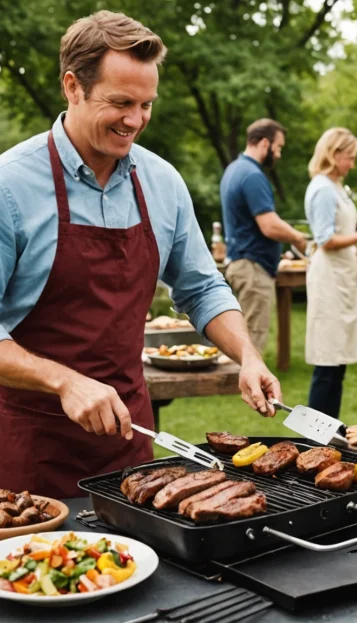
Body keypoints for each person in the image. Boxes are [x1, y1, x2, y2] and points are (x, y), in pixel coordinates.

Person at [0, 11, 281, 498]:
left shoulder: (162, 181)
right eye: (120, 102)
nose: (135, 120)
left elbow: (201, 286)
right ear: (73, 87)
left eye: (146, 104)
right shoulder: (10, 185)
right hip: (28, 446)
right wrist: (67, 383)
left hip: (128, 442)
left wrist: (247, 356)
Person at [304, 128, 357, 417]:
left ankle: (330, 431)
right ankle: (314, 438)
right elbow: (325, 239)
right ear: (333, 154)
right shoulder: (322, 189)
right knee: (327, 361)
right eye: (349, 157)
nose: (353, 163)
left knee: (338, 360)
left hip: (341, 276)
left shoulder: (337, 186)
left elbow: (342, 232)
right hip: (327, 278)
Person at [221, 119, 308, 353]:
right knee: (252, 344)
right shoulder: (252, 175)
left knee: (245, 339)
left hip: (242, 263)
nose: (278, 154)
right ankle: (251, 391)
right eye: (278, 147)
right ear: (264, 143)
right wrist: (299, 238)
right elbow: (269, 225)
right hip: (253, 268)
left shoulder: (234, 169)